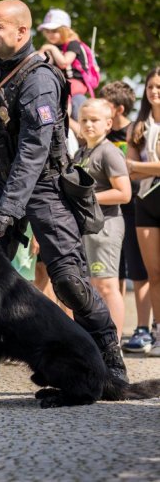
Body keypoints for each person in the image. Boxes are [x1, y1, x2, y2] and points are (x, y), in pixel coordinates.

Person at [0, 0, 127, 399]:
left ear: (22, 32)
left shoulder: (39, 78)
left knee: (70, 281)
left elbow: (33, 153)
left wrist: (8, 208)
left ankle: (110, 361)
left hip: (43, 187)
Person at [100, 81, 153, 353]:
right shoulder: (99, 132)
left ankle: (143, 327)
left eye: (106, 105)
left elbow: (133, 169)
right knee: (113, 271)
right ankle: (113, 329)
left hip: (133, 206)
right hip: (108, 213)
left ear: (119, 109)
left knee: (139, 268)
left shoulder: (133, 130)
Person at [74, 99, 132, 340]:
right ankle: (101, 341)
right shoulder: (81, 151)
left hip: (106, 226)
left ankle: (114, 344)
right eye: (84, 119)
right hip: (87, 228)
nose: (88, 124)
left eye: (94, 120)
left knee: (107, 286)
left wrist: (89, 198)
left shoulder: (109, 152)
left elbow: (124, 193)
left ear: (108, 123)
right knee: (94, 287)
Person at [126, 67, 160, 357]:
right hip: (145, 203)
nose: (154, 92)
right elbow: (128, 168)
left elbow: (135, 166)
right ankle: (157, 330)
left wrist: (139, 167)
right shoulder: (138, 127)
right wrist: (140, 168)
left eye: (159, 87)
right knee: (153, 272)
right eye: (150, 87)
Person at [37, 8, 93, 120]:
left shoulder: (73, 44)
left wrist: (51, 48)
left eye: (54, 31)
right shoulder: (54, 47)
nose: (50, 35)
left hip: (75, 83)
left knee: (63, 94)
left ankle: (64, 121)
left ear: (65, 30)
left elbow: (64, 62)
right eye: (47, 31)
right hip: (61, 83)